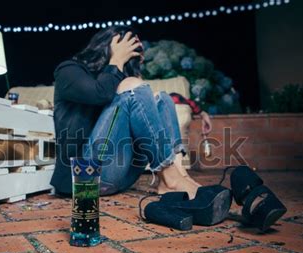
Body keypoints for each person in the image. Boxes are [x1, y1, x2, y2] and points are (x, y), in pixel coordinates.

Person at [50, 26, 212, 199]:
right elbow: (99, 93)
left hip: (122, 176)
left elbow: (147, 107)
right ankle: (171, 179)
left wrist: (199, 111)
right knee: (132, 86)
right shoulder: (68, 70)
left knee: (163, 98)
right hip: (86, 178)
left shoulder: (118, 81)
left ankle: (178, 176)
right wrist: (117, 61)